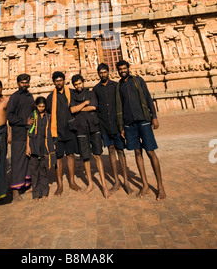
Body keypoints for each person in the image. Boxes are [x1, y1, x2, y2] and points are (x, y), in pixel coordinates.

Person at [116, 60, 167, 200]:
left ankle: (160, 186)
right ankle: (145, 185)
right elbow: (119, 107)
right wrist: (121, 127)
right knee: (137, 153)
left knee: (150, 152)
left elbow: (148, 98)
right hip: (129, 124)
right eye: (120, 69)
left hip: (143, 121)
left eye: (124, 68)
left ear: (128, 68)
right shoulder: (119, 86)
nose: (122, 71)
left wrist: (154, 117)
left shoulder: (138, 81)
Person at [93, 63, 133, 194]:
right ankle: (116, 181)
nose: (103, 74)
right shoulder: (96, 89)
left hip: (117, 124)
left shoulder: (116, 86)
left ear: (108, 72)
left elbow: (122, 104)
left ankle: (126, 181)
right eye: (100, 73)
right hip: (104, 125)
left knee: (120, 151)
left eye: (104, 72)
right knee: (110, 150)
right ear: (98, 74)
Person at [70, 74, 111, 199]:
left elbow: (93, 106)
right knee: (85, 157)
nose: (78, 86)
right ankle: (90, 184)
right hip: (81, 128)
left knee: (97, 155)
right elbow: (72, 110)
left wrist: (79, 108)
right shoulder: (73, 95)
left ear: (83, 82)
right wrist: (84, 104)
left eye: (79, 83)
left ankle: (104, 185)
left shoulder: (91, 93)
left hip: (93, 126)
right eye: (76, 84)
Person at [46, 71, 81, 196]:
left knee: (71, 155)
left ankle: (72, 181)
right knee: (59, 157)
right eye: (56, 81)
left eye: (60, 80)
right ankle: (60, 184)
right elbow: (46, 114)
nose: (58, 82)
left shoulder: (71, 93)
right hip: (57, 132)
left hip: (70, 129)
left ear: (64, 81)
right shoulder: (50, 98)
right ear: (54, 82)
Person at [6, 73, 35, 202]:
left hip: (29, 133)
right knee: (17, 162)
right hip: (18, 133)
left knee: (28, 160)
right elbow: (10, 116)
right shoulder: (14, 97)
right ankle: (15, 191)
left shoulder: (30, 97)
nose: (24, 84)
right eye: (22, 82)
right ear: (18, 83)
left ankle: (26, 184)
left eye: (26, 82)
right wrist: (25, 122)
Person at [26, 96, 56, 202]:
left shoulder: (49, 117)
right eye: (39, 106)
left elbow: (52, 131)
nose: (41, 108)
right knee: (34, 172)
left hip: (45, 147)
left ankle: (44, 192)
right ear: (36, 106)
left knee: (44, 170)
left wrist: (53, 144)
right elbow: (29, 132)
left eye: (43, 106)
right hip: (34, 146)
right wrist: (27, 147)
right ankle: (35, 194)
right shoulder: (32, 116)